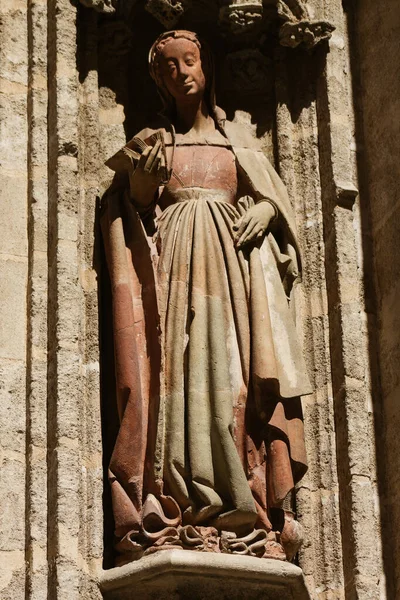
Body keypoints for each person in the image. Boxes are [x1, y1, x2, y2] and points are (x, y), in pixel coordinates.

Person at [101, 30, 312, 565]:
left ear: (206, 65)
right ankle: (179, 497)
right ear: (158, 79)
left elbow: (274, 205)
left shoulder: (237, 141)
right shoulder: (153, 141)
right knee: (177, 380)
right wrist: (145, 187)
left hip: (232, 278)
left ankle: (246, 501)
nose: (181, 72)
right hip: (173, 279)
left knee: (232, 379)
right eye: (169, 67)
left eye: (189, 61)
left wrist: (267, 210)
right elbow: (131, 211)